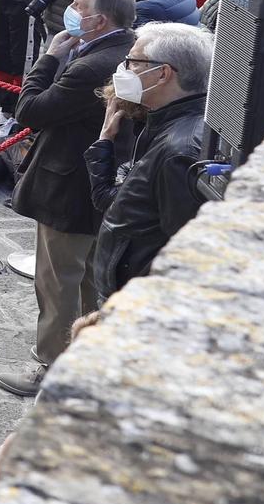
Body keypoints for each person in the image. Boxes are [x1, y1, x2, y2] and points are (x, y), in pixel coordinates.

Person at [0, 0, 136, 396]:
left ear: (99, 19)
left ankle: (54, 366)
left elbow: (31, 110)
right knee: (90, 278)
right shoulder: (128, 48)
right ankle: (86, 355)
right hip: (98, 181)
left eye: (78, 5)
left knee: (58, 280)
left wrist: (47, 59)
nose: (70, 10)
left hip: (68, 185)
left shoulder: (92, 66)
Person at [87, 23, 213, 305]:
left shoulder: (178, 151)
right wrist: (105, 142)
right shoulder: (161, 122)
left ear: (163, 73)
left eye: (132, 62)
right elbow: (122, 202)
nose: (123, 69)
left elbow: (178, 249)